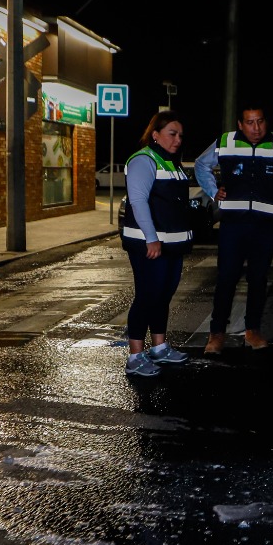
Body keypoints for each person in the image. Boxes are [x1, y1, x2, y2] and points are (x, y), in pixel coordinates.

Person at [194, 103, 273, 354]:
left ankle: (253, 331)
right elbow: (200, 165)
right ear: (240, 124)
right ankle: (216, 334)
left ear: (266, 122)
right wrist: (212, 190)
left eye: (260, 121)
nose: (256, 128)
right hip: (233, 225)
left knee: (258, 279)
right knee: (226, 278)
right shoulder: (225, 142)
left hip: (265, 225)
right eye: (249, 122)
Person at [119, 109, 195, 377]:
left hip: (171, 245)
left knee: (163, 296)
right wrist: (152, 238)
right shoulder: (143, 160)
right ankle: (135, 356)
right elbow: (138, 202)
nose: (177, 140)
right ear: (155, 135)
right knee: (147, 297)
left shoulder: (171, 162)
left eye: (180, 135)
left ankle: (159, 348)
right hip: (149, 244)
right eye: (172, 134)